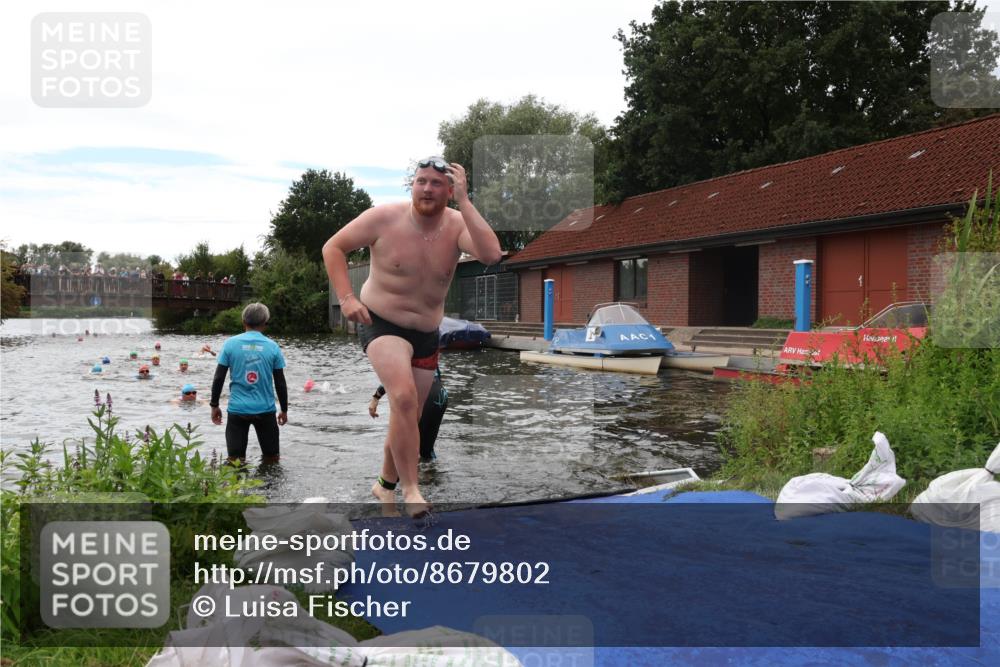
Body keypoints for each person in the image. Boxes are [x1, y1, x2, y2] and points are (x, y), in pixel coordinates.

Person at [322, 156, 501, 517]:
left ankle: (384, 484)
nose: (427, 189)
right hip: (382, 323)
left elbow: (492, 254)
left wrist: (466, 204)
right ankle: (411, 489)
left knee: (410, 415)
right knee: (402, 399)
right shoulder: (384, 218)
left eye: (437, 184)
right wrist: (346, 297)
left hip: (426, 334)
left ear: (450, 191)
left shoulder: (456, 224)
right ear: (412, 185)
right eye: (421, 181)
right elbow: (333, 247)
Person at [209, 303, 288, 465]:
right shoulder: (273, 347)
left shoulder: (230, 344)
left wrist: (214, 405)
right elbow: (280, 382)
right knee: (272, 460)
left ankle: (236, 489)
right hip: (265, 411)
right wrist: (284, 410)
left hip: (237, 411)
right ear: (265, 322)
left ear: (243, 321)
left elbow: (218, 378)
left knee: (235, 463)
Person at [369, 367, 448, 461]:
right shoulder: (426, 352)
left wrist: (376, 397)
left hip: (426, 395)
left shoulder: (404, 353)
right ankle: (432, 473)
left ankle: (401, 475)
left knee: (406, 448)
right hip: (441, 394)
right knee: (426, 450)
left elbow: (393, 377)